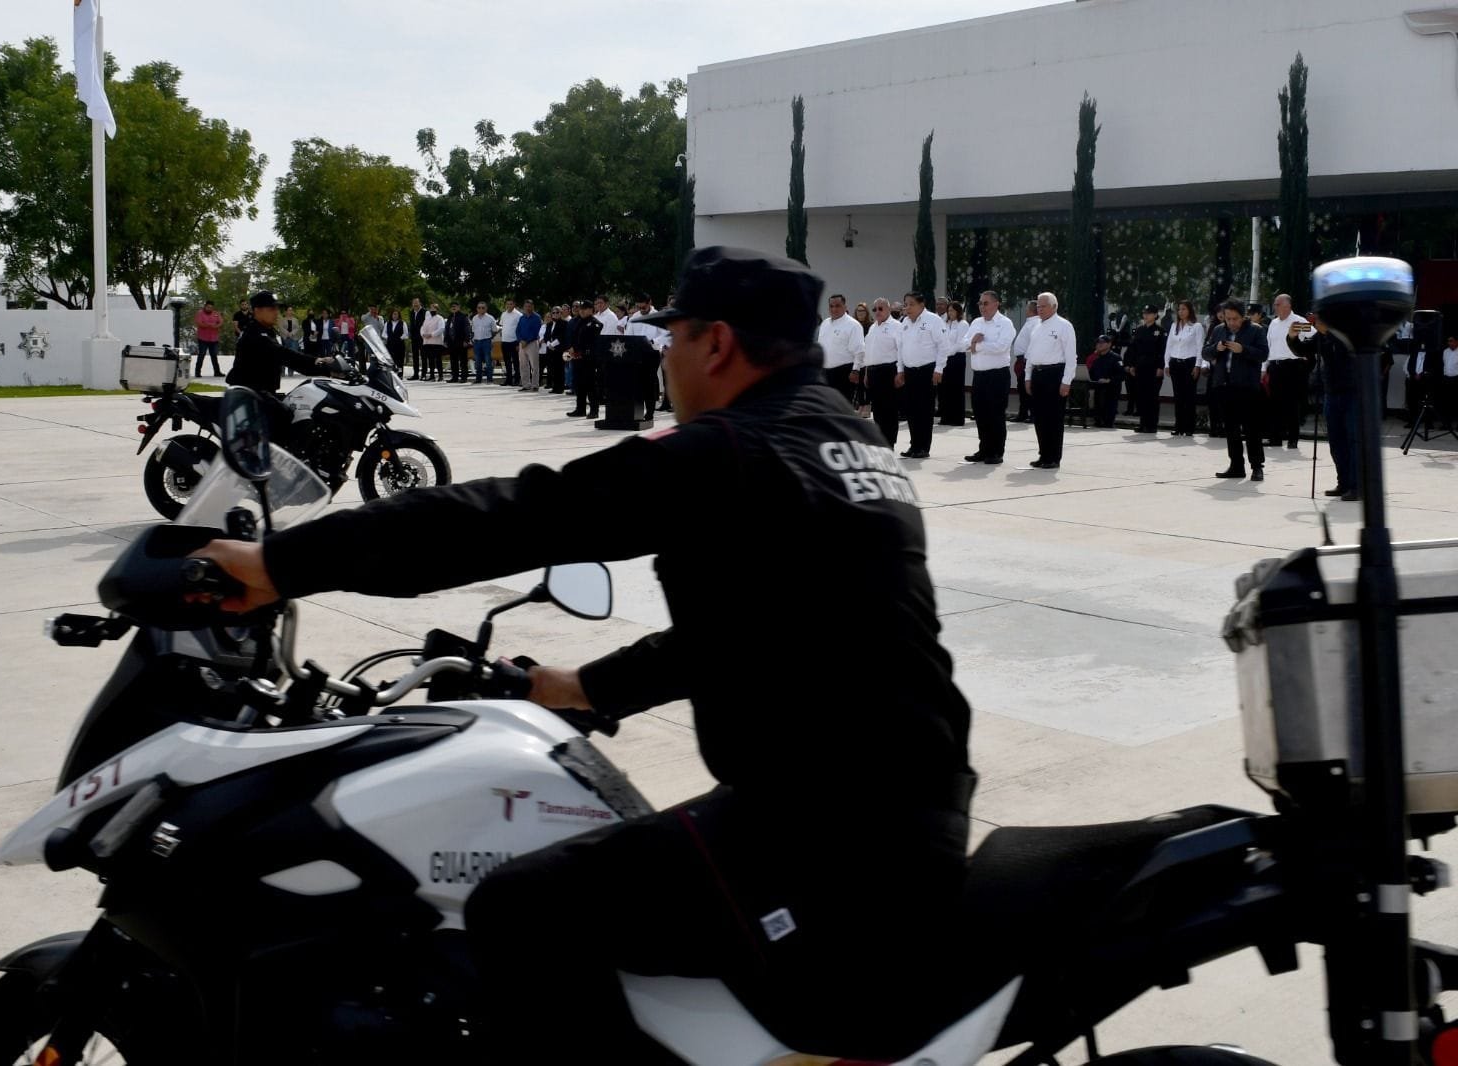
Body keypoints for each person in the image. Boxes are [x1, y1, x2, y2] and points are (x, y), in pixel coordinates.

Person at [193, 246, 975, 1064]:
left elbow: (520, 517)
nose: (663, 358)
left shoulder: (732, 450)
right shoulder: (843, 434)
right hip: (894, 803)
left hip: (827, 839)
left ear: (715, 344)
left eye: (672, 338)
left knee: (519, 907)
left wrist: (280, 564)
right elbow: (754, 632)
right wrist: (580, 686)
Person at [224, 291, 335, 422]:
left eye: (277, 308)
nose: (276, 312)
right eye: (271, 309)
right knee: (291, 417)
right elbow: (284, 355)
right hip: (249, 396)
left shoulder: (266, 330)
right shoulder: (254, 333)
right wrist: (320, 364)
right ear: (257, 310)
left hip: (260, 392)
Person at [1286, 318, 1358, 501]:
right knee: (1336, 440)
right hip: (1331, 392)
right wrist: (1293, 337)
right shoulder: (1321, 336)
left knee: (1353, 440)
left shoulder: (1347, 331)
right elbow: (1303, 350)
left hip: (1353, 392)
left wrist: (1329, 332)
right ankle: (1343, 483)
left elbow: (1348, 351)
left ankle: (1356, 485)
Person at [1204, 298, 1269, 481]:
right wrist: (1215, 348)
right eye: (1228, 319)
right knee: (1231, 428)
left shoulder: (1256, 330)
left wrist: (1243, 350)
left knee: (1251, 428)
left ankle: (1257, 466)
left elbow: (1263, 354)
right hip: (1224, 385)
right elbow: (1205, 352)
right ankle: (1236, 465)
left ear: (1243, 316)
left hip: (1247, 386)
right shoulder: (1219, 330)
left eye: (1235, 319)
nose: (1231, 322)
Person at [1022, 292, 1077, 469]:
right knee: (1039, 417)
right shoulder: (1036, 326)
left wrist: (1066, 381)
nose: (1040, 309)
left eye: (1043, 306)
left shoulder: (1064, 326)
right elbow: (1030, 353)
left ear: (1054, 306)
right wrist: (1028, 377)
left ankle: (1053, 457)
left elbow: (1071, 356)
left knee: (1054, 417)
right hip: (1038, 374)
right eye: (1038, 306)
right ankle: (1043, 454)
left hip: (1055, 374)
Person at [961, 291, 1016, 464]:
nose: (982, 307)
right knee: (980, 413)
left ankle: (996, 452)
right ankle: (984, 449)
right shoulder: (976, 322)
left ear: (996, 304)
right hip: (979, 375)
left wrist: (976, 345)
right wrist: (973, 343)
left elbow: (1001, 347)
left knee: (995, 414)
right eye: (980, 303)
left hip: (997, 375)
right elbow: (963, 343)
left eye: (985, 303)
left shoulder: (1005, 323)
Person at [897, 292, 947, 458]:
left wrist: (939, 369)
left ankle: (923, 447)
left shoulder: (933, 320)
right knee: (911, 410)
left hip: (927, 371)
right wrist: (900, 370)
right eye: (906, 304)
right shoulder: (904, 322)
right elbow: (900, 348)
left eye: (911, 304)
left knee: (924, 410)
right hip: (910, 371)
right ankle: (914, 445)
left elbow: (943, 346)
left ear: (921, 304)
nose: (908, 307)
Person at [1263, 294, 1312, 449]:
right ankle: (1275, 438)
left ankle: (1292, 439)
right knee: (1274, 404)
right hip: (1275, 366)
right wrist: (1264, 367)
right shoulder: (1273, 323)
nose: (1275, 307)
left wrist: (1307, 355)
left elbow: (1314, 337)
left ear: (1287, 306)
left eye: (1277, 304)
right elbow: (1268, 346)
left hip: (1292, 367)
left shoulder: (1298, 321)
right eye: (1275, 304)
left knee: (1292, 404)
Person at [854, 297, 903, 447]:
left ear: (888, 309)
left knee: (889, 409)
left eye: (881, 309)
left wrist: (900, 372)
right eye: (875, 309)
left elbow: (901, 350)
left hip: (889, 370)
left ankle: (889, 442)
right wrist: (866, 373)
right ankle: (880, 441)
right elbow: (868, 352)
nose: (877, 312)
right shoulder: (873, 327)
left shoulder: (896, 326)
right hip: (873, 372)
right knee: (877, 409)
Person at [624, 293, 668, 420]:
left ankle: (650, 411)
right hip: (637, 353)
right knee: (638, 382)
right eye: (639, 307)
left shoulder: (658, 316)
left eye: (643, 307)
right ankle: (637, 411)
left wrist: (653, 341)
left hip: (651, 352)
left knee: (649, 382)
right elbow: (628, 334)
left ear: (650, 303)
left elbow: (665, 334)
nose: (641, 310)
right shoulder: (634, 317)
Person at [1124, 306, 1168, 434]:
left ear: (1155, 315)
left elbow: (1163, 350)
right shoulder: (1139, 330)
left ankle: (1152, 425)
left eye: (1149, 313)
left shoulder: (1160, 331)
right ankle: (1143, 424)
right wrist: (1131, 365)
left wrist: (1161, 366)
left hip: (1153, 368)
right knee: (1141, 396)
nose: (1146, 315)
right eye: (1144, 313)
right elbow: (1133, 348)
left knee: (1152, 397)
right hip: (1140, 367)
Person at [1164, 299, 1205, 436]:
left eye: (1184, 309)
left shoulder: (1196, 326)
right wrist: (1167, 363)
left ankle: (1189, 427)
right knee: (1178, 396)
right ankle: (1179, 426)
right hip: (1175, 362)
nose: (1181, 312)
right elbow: (1169, 345)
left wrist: (1197, 365)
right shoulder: (1174, 325)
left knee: (1189, 396)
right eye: (1179, 309)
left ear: (1190, 310)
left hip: (1189, 363)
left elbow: (1200, 347)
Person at [817, 294, 865, 405]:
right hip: (825, 373)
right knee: (827, 406)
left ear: (845, 307)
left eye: (837, 306)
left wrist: (855, 370)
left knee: (842, 406)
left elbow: (859, 350)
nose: (834, 309)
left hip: (844, 372)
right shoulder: (825, 324)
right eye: (831, 306)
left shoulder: (853, 325)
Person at [566, 301, 604, 418]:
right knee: (579, 384)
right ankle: (580, 409)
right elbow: (573, 336)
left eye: (585, 309)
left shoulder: (595, 323)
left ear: (591, 310)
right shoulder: (579, 322)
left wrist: (576, 348)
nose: (581, 311)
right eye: (581, 309)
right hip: (577, 357)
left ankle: (594, 410)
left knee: (590, 385)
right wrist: (571, 347)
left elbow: (589, 341)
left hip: (589, 358)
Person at [938, 300, 969, 425]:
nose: (950, 313)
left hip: (957, 358)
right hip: (946, 358)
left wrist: (948, 352)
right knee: (945, 388)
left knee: (956, 388)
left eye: (952, 310)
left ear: (958, 311)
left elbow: (961, 343)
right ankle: (946, 417)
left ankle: (957, 418)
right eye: (949, 311)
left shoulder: (963, 324)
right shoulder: (946, 324)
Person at [1010, 299, 1039, 423]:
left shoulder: (1035, 323)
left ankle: (1033, 414)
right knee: (1022, 388)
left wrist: (1028, 359)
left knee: (1027, 388)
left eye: (1027, 308)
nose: (1026, 310)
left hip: (1026, 360)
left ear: (1032, 310)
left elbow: (1033, 342)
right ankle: (1023, 413)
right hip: (1022, 359)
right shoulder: (1030, 322)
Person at [1087, 334, 1124, 428]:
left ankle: (1108, 423)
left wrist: (1109, 380)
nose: (1099, 345)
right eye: (1097, 342)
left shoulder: (1116, 358)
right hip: (1099, 388)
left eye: (1102, 342)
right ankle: (1098, 421)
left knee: (1109, 408)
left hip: (1111, 388)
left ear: (1109, 344)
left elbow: (1121, 375)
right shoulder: (1096, 359)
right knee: (1098, 407)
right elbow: (1091, 374)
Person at [515, 299, 543, 392]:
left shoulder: (537, 317)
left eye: (529, 306)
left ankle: (535, 385)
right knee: (523, 365)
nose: (528, 308)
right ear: (524, 307)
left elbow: (536, 331)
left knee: (534, 365)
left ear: (533, 307)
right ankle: (526, 384)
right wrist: (520, 340)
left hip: (532, 343)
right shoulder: (522, 318)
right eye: (526, 306)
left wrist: (526, 341)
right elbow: (517, 330)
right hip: (522, 344)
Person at [193, 300, 223, 377]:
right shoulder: (200, 313)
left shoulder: (216, 313)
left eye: (211, 307)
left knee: (214, 355)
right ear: (205, 306)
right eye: (208, 307)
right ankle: (197, 372)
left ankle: (217, 372)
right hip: (203, 338)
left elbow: (220, 322)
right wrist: (208, 325)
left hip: (214, 338)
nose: (210, 309)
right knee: (202, 354)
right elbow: (199, 323)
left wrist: (216, 326)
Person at [471, 301, 498, 384]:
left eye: (483, 308)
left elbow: (495, 330)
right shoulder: (474, 318)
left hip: (486, 341)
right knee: (477, 361)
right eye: (479, 308)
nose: (481, 309)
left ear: (486, 309)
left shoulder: (490, 318)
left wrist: (489, 338)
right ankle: (478, 379)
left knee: (488, 360)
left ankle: (489, 379)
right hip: (477, 341)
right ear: (477, 309)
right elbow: (473, 331)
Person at [541, 306, 567, 393]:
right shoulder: (549, 324)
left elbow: (562, 336)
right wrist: (549, 344)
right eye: (553, 312)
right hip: (550, 349)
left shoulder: (564, 323)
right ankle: (554, 387)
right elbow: (546, 336)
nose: (555, 314)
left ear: (561, 313)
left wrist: (553, 344)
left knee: (560, 369)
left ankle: (560, 388)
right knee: (552, 369)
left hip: (559, 349)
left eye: (557, 312)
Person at [446, 302, 472, 382]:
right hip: (451, 342)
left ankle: (464, 377)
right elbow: (447, 329)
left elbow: (467, 329)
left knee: (463, 360)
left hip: (461, 341)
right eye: (452, 306)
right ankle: (455, 377)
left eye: (455, 306)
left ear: (459, 307)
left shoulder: (463, 317)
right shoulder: (450, 317)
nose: (453, 308)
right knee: (453, 360)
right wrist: (446, 340)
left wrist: (466, 340)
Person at [420, 304, 447, 382]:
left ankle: (440, 376)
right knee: (430, 359)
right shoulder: (427, 319)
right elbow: (422, 327)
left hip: (437, 342)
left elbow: (441, 328)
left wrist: (431, 334)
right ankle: (432, 376)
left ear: (437, 310)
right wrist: (423, 334)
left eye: (434, 308)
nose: (432, 310)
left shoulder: (440, 318)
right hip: (427, 341)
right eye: (431, 308)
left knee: (438, 359)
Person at [384, 308, 407, 376]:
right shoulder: (387, 323)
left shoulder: (403, 323)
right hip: (390, 344)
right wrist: (388, 338)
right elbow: (384, 333)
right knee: (391, 360)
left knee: (400, 361)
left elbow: (406, 334)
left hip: (400, 345)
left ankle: (400, 374)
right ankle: (392, 374)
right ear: (391, 315)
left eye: (396, 314)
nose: (395, 316)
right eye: (393, 314)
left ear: (398, 315)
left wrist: (400, 338)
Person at [409, 298, 428, 380]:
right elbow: (412, 324)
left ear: (420, 303)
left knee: (424, 356)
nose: (415, 304)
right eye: (414, 303)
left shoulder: (425, 312)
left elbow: (427, 324)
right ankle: (415, 374)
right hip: (414, 338)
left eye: (416, 303)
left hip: (422, 337)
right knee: (415, 357)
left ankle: (424, 374)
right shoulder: (411, 312)